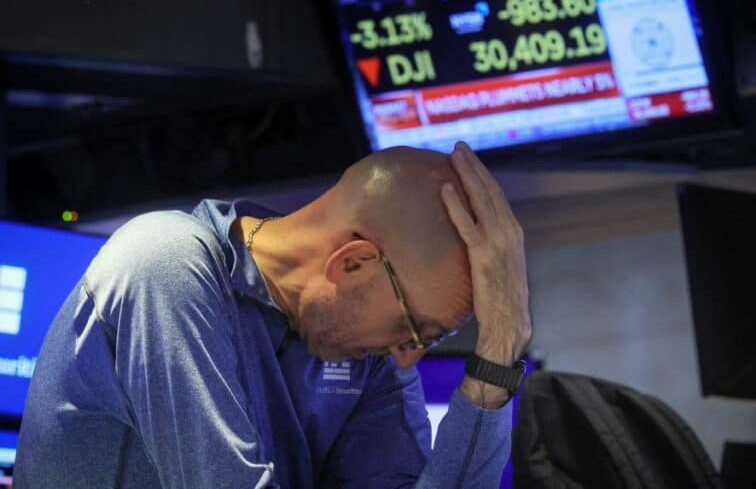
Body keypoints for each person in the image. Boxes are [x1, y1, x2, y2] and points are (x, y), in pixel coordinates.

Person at [15, 142, 532, 488]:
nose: (407, 359)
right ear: (352, 263)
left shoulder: (367, 359)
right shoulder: (164, 264)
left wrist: (498, 356)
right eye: (413, 330)